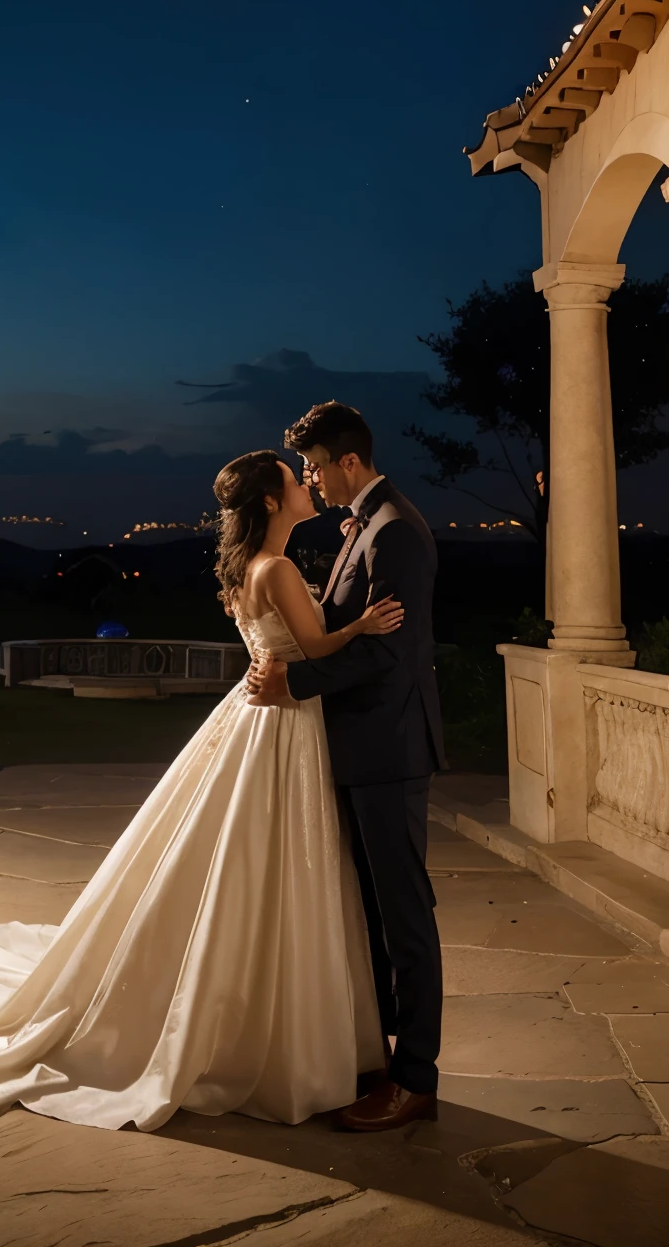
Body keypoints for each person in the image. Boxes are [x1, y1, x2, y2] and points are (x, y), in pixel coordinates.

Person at [0, 449, 402, 1132]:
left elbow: (283, 643)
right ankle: (284, 1029)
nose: (306, 486)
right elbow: (318, 647)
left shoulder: (246, 571)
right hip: (285, 722)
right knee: (278, 861)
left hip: (255, 712)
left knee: (243, 859)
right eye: (295, 481)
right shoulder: (279, 568)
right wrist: (360, 625)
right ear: (270, 501)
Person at [246, 400, 444, 1131]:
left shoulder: (394, 533)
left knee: (404, 918)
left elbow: (390, 653)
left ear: (348, 463)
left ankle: (415, 1079)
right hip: (357, 747)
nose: (311, 479)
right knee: (370, 913)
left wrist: (293, 683)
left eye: (315, 467)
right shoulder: (366, 525)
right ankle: (381, 1056)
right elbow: (346, 630)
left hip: (388, 750)